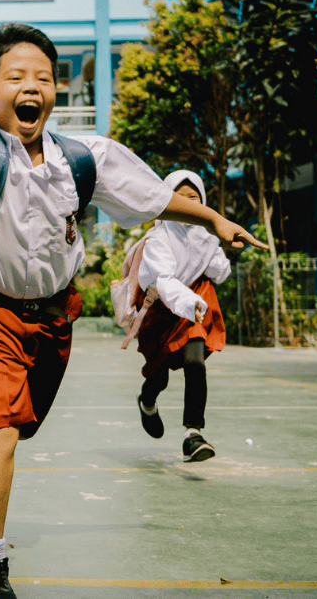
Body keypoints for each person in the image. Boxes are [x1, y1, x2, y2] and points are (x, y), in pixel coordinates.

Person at [0, 0, 266, 599]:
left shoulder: (84, 158)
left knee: (18, 427)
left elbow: (153, 197)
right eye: (14, 77)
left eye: (44, 78)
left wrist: (213, 220)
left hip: (55, 317)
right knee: (0, 429)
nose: (31, 87)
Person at [131, 170, 231, 463]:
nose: (188, 203)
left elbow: (220, 269)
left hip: (195, 306)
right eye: (179, 198)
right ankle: (147, 401)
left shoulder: (207, 235)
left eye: (194, 198)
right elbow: (163, 279)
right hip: (162, 307)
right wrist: (188, 301)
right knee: (157, 376)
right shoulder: (159, 237)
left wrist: (220, 254)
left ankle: (193, 434)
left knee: (194, 363)